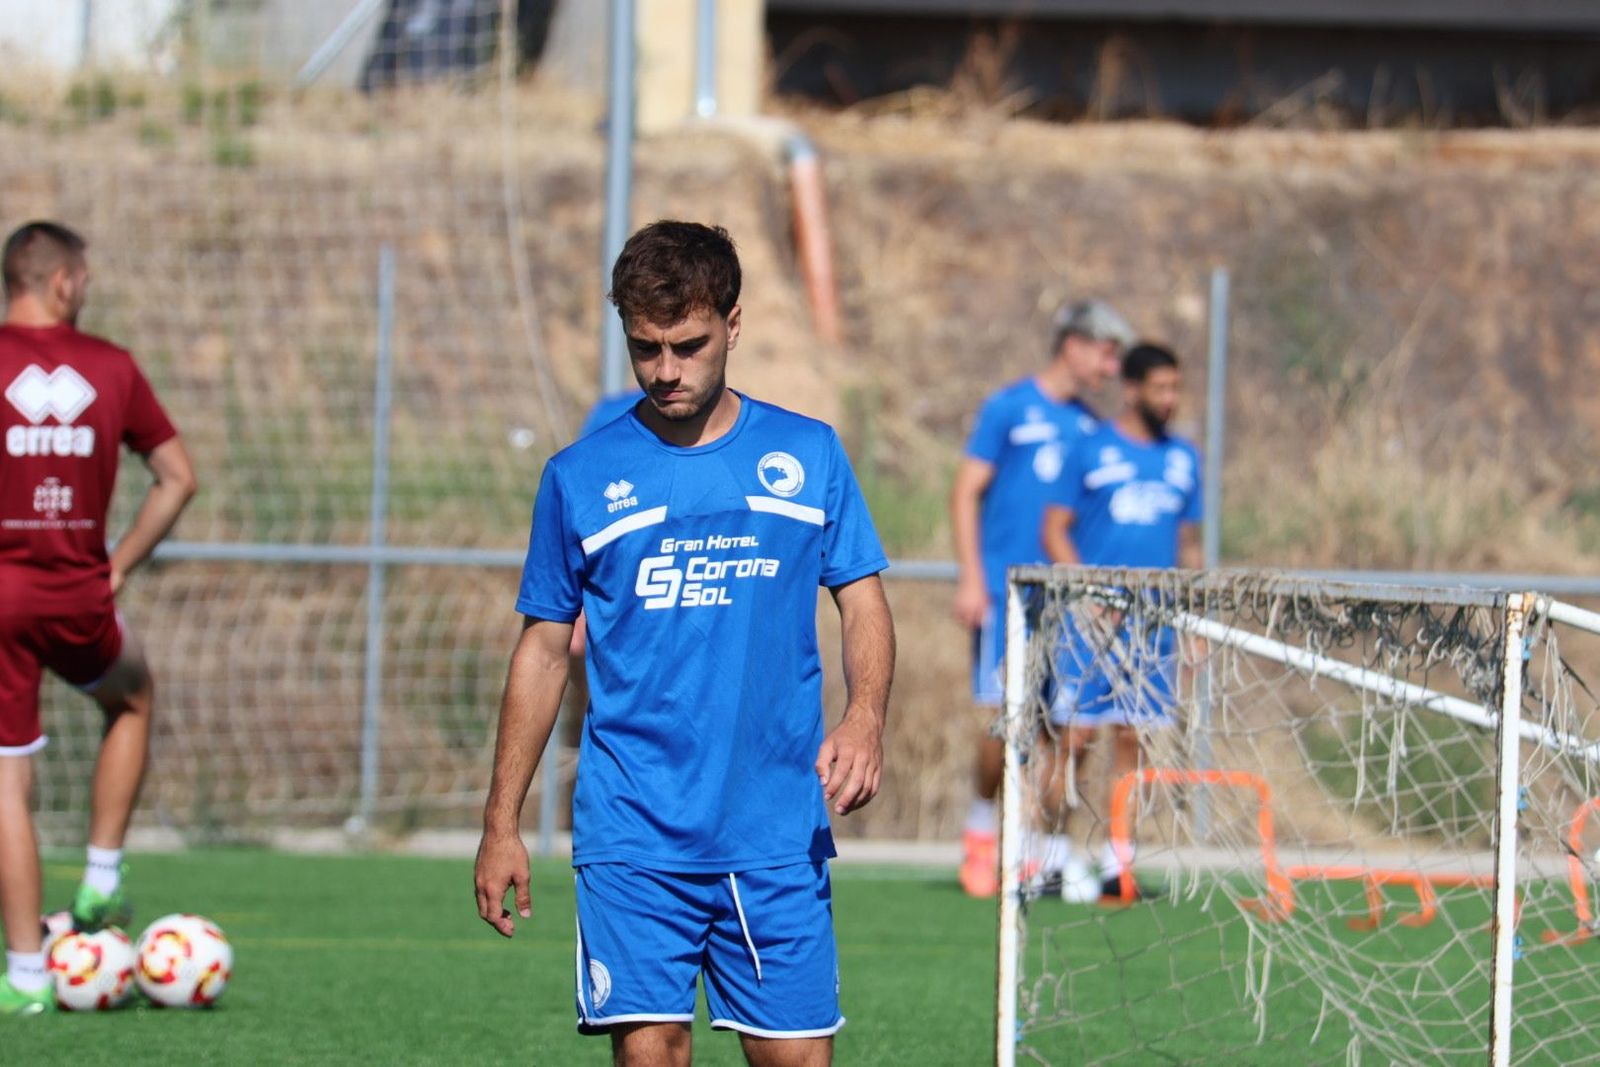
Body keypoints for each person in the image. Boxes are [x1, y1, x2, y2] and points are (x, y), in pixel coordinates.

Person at [474, 221, 894, 1067]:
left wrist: (865, 717)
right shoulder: (579, 475)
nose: (666, 370)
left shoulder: (807, 454)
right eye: (646, 348)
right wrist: (500, 822)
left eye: (688, 346)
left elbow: (862, 598)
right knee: (651, 1050)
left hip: (775, 824)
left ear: (733, 325)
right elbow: (543, 650)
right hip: (635, 824)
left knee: (797, 1059)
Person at [0, 221, 197, 1015]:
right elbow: (178, 477)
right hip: (80, 592)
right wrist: (118, 564)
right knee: (135, 695)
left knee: (6, 777)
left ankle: (23, 976)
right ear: (62, 282)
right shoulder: (110, 366)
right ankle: (101, 880)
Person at [949, 300, 1133, 898]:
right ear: (1075, 345)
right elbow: (966, 492)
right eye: (1107, 353)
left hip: (1067, 603)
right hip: (1009, 597)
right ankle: (981, 829)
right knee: (1006, 720)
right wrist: (973, 577)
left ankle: (1038, 855)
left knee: (1068, 731)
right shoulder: (1009, 408)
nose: (1110, 368)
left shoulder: (1090, 429)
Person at [1041, 342, 1202, 899]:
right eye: (1160, 388)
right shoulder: (1091, 449)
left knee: (1133, 741)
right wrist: (1089, 591)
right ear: (1131, 390)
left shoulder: (1183, 458)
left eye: (1176, 388)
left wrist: (1194, 623)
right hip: (1091, 622)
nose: (1170, 399)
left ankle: (1118, 866)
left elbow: (1189, 543)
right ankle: (1050, 862)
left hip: (1153, 624)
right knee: (1075, 738)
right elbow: (1055, 529)